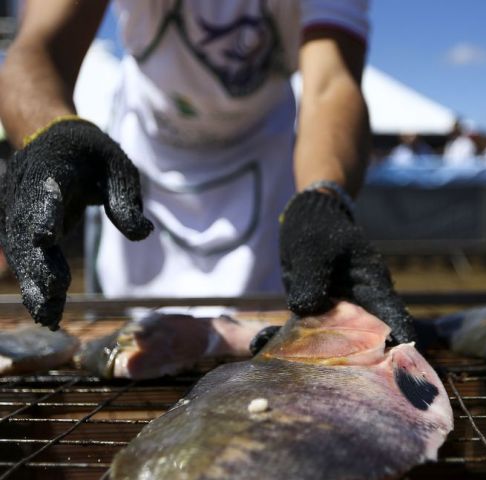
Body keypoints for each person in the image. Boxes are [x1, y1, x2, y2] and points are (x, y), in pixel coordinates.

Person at [0, 0, 414, 343]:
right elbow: (37, 48)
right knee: (130, 339)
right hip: (146, 152)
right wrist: (51, 132)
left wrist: (323, 196)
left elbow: (331, 83)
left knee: (262, 336)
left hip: (263, 154)